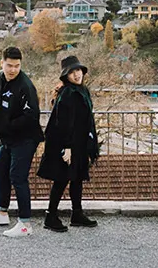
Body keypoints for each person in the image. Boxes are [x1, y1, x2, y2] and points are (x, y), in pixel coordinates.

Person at [0, 45, 43, 237]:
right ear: (2, 63)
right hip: (9, 138)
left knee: (18, 176)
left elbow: (32, 116)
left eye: (17, 66)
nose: (13, 69)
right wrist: (4, 129)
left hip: (26, 138)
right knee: (1, 169)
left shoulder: (26, 86)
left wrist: (11, 126)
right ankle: (1, 212)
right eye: (9, 65)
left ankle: (25, 224)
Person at [37, 55, 99, 231]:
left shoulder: (81, 90)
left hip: (79, 143)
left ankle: (77, 214)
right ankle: (50, 216)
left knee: (77, 178)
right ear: (66, 75)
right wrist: (67, 147)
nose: (77, 74)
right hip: (67, 144)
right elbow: (63, 123)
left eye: (78, 70)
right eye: (72, 72)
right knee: (62, 179)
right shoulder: (68, 93)